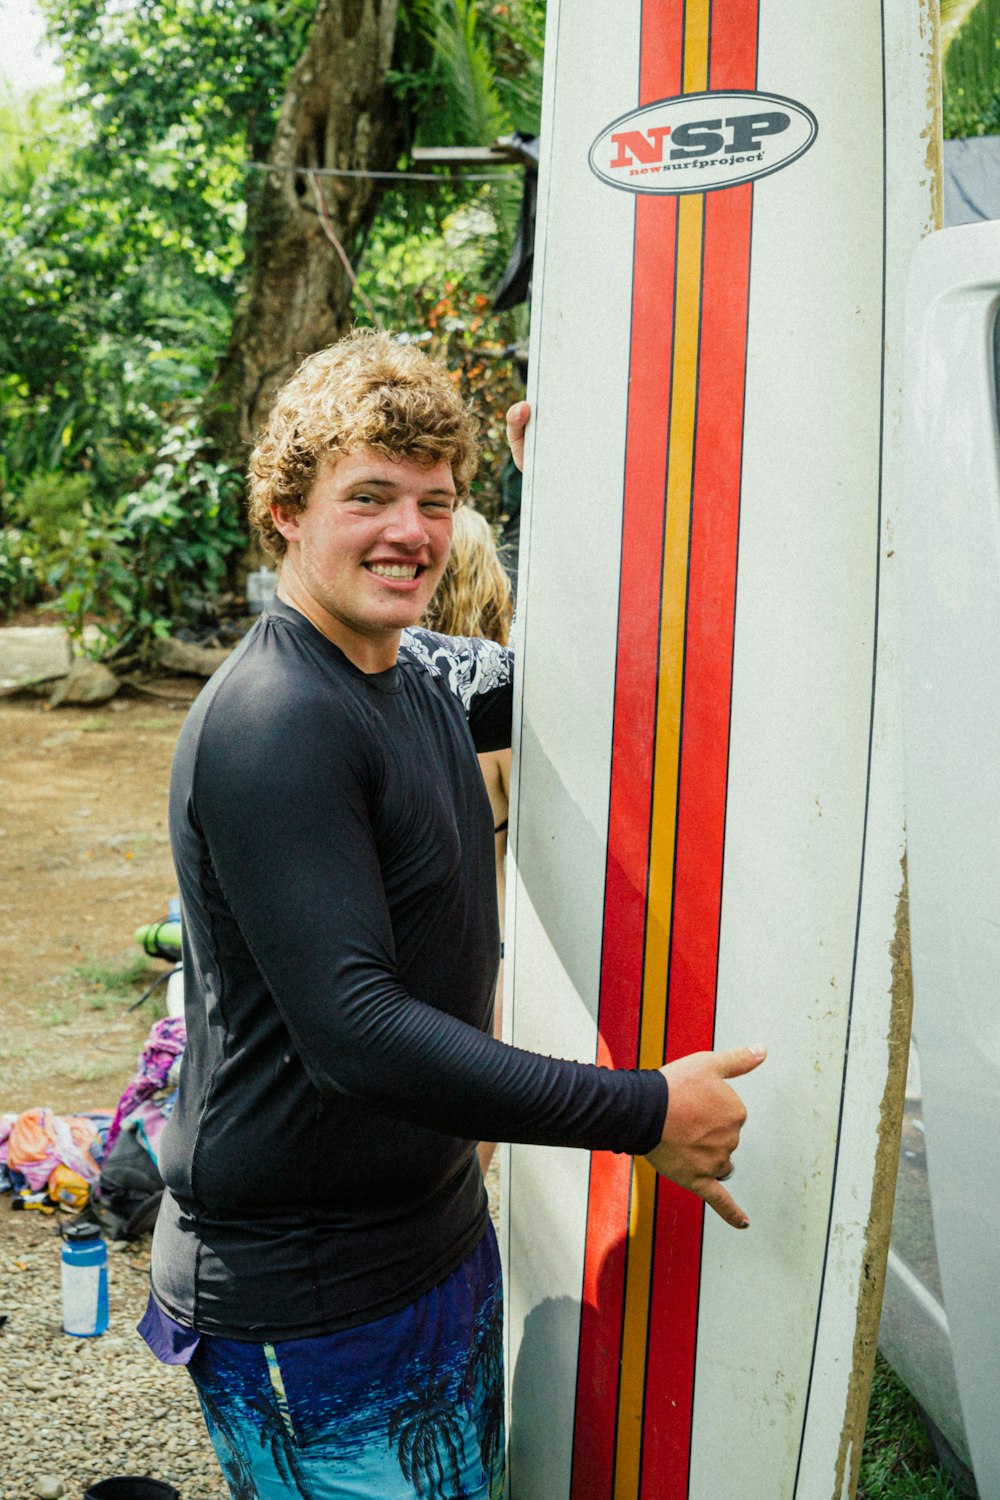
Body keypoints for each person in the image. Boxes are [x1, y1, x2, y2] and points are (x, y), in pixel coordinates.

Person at [139, 330, 765, 1500]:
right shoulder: (276, 719)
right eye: (369, 497)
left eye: (436, 502)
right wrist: (644, 1113)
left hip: (428, 1245)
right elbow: (354, 1034)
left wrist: (562, 498)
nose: (410, 533)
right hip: (313, 1295)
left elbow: (583, 674)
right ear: (282, 508)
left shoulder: (414, 672)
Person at [421, 503, 514, 1174]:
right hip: (486, 961)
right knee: (464, 1169)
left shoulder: (376, 698)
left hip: (398, 950)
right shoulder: (509, 721)